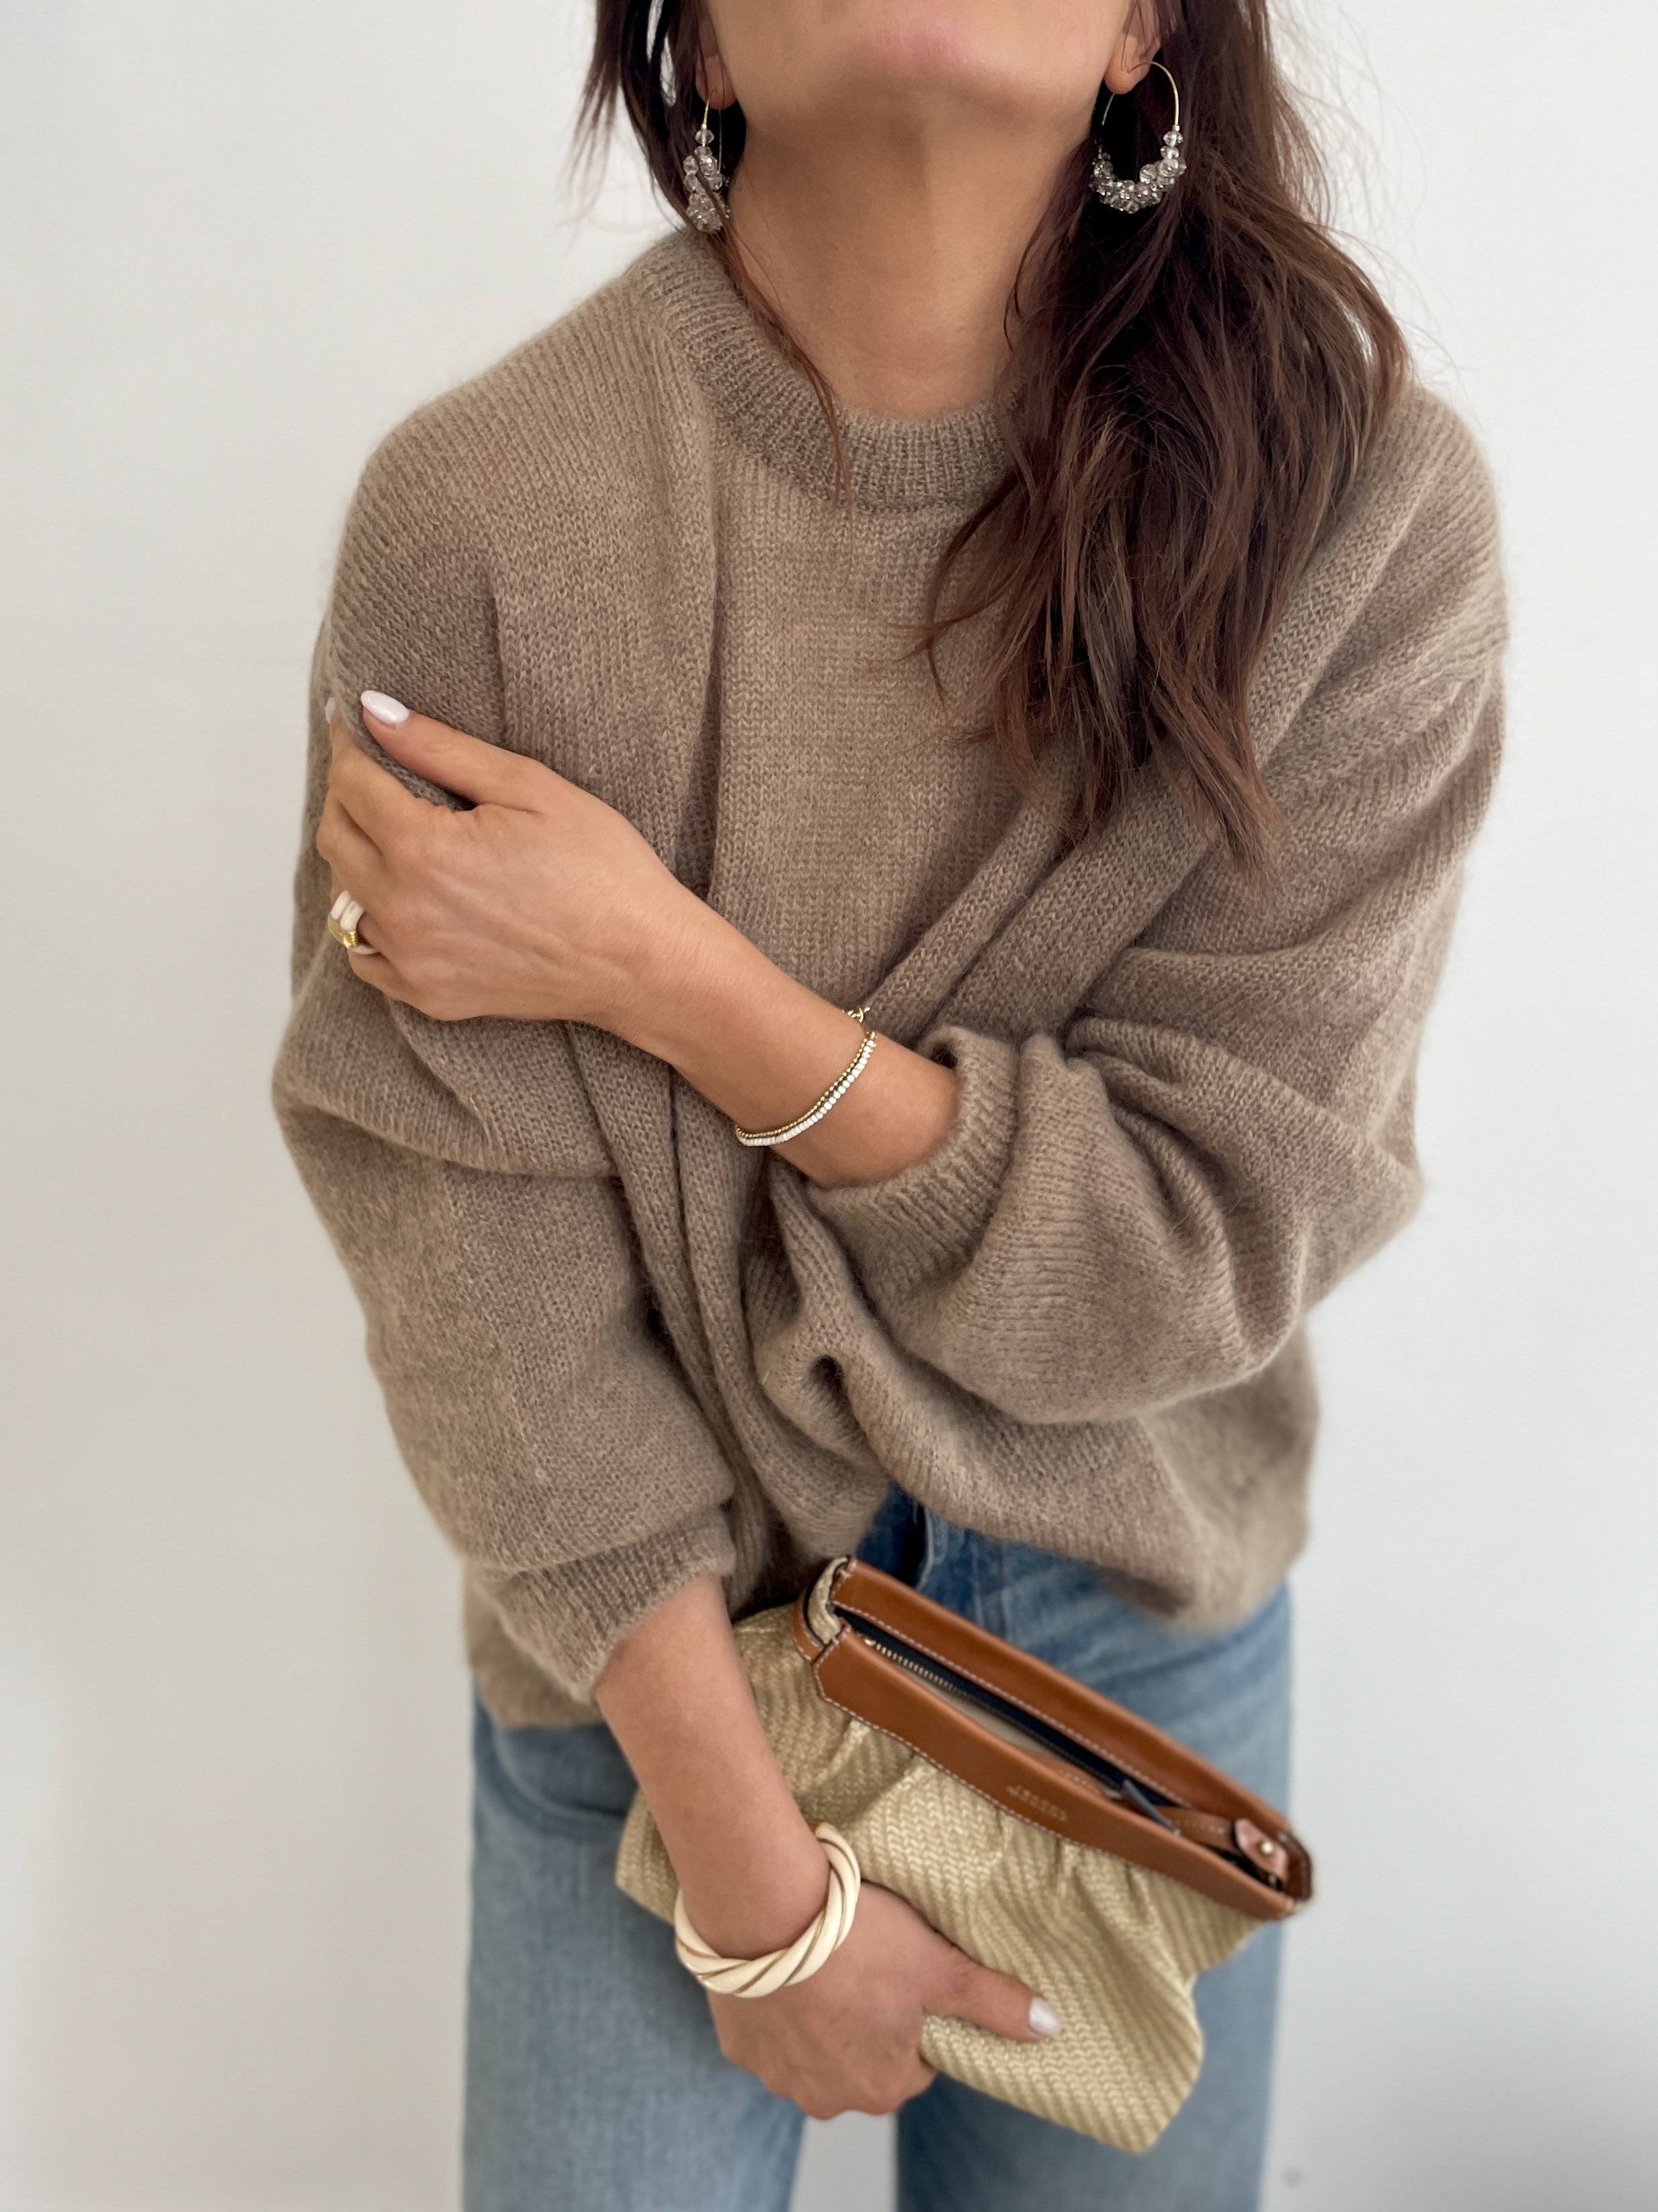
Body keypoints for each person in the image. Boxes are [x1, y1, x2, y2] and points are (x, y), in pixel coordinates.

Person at [272, 2, 1505, 2205]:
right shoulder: (484, 515)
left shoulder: (1357, 515)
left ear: (1146, 40)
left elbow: (1182, 1250)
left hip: (1123, 1631)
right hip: (650, 1636)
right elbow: (466, 1251)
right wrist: (757, 1875)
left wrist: (667, 972)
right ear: (700, 51)